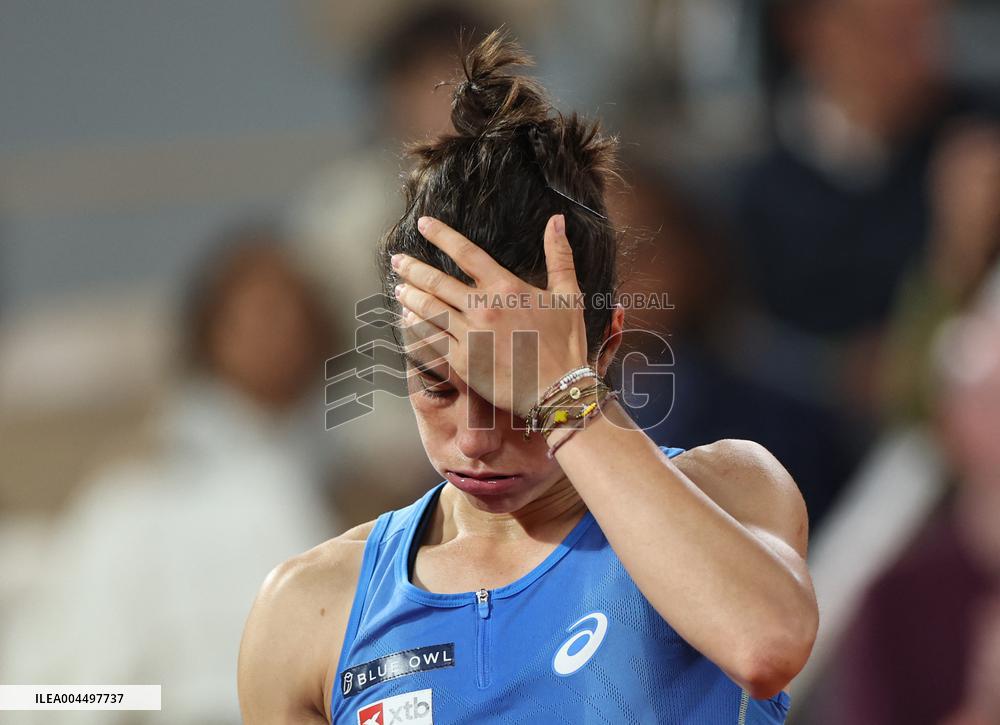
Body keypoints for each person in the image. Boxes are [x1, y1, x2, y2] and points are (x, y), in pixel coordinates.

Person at [238, 31, 817, 724]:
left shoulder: (732, 488)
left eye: (516, 393)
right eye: (439, 385)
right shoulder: (308, 609)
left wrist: (564, 396)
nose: (476, 440)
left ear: (603, 350)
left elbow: (767, 645)